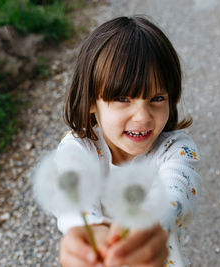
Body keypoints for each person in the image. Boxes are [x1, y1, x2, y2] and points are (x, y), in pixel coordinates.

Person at [56, 16, 200, 267]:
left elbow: (175, 192)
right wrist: (93, 233)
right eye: (123, 98)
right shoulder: (77, 149)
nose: (143, 117)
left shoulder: (176, 150)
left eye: (157, 98)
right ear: (90, 99)